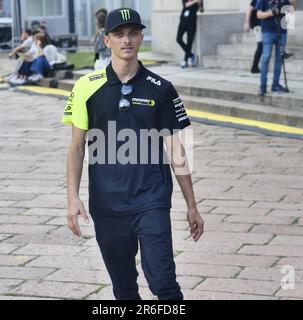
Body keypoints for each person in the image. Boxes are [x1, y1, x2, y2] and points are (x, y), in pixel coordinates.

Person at [62, 8, 204, 300]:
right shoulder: (86, 88)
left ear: (141, 38)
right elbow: (76, 148)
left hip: (151, 200)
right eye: (118, 34)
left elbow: (176, 150)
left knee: (164, 284)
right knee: (124, 288)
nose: (126, 40)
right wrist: (73, 198)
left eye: (132, 33)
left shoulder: (162, 89)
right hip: (107, 204)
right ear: (106, 39)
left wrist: (192, 205)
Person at [256, 0, 296, 96]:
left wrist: (288, 12)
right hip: (268, 32)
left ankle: (275, 84)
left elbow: (290, 16)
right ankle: (263, 86)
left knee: (279, 59)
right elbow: (259, 15)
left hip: (282, 33)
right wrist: (270, 13)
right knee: (266, 57)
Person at [176, 0, 204, 68]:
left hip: (192, 21)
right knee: (178, 38)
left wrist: (200, 5)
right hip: (183, 20)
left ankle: (185, 61)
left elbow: (201, 10)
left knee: (189, 41)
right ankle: (191, 55)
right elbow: (186, 5)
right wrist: (195, 1)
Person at [244, 0, 262, 74]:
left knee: (262, 45)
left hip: (263, 24)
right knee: (261, 45)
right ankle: (254, 67)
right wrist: (247, 23)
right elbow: (249, 9)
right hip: (256, 24)